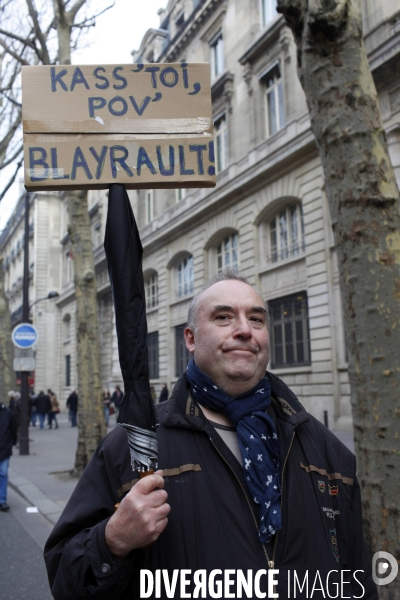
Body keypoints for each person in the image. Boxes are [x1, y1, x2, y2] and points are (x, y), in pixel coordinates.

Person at [44, 271, 377, 599]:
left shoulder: (325, 449)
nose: (245, 330)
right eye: (223, 317)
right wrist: (113, 539)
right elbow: (65, 577)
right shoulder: (134, 446)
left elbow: (356, 575)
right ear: (190, 338)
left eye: (257, 320)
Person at [0, 401, 18, 511]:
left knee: (3, 473)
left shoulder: (8, 413)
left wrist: (11, 443)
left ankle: (2, 500)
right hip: (5, 446)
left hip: (5, 448)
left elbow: (13, 429)